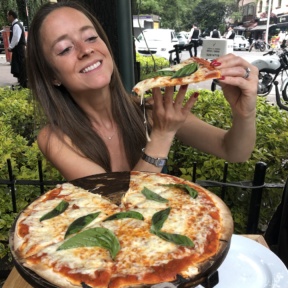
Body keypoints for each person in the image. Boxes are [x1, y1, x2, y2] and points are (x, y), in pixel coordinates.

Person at [26, 1, 258, 181]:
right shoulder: (56, 139)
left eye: (90, 37)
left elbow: (234, 151)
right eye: (65, 49)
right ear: (51, 75)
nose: (85, 50)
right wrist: (162, 135)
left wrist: (244, 113)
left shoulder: (146, 108)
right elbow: (118, 204)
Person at [7, 10, 27, 88]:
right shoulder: (17, 25)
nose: (7, 17)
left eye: (8, 16)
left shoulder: (16, 25)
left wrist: (10, 47)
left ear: (11, 16)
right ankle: (21, 82)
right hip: (19, 49)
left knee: (20, 65)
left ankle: (23, 83)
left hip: (19, 49)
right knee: (18, 66)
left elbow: (16, 38)